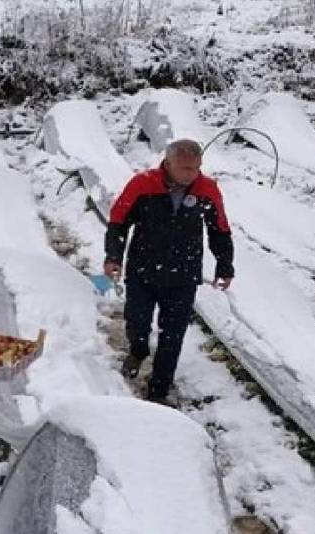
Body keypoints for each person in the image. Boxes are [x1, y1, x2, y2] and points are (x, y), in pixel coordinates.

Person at [104, 139, 234, 403]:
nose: (191, 174)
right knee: (137, 321)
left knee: (173, 334)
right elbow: (119, 222)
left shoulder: (206, 189)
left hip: (183, 274)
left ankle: (158, 390)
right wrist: (113, 257)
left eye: (196, 168)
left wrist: (225, 264)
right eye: (185, 168)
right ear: (168, 163)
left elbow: (219, 229)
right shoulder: (143, 184)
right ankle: (138, 351)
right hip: (143, 269)